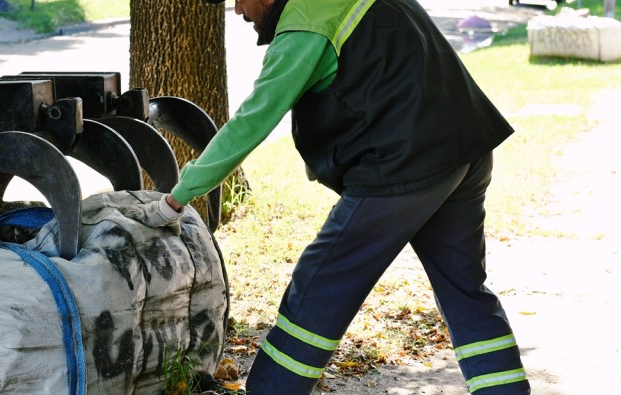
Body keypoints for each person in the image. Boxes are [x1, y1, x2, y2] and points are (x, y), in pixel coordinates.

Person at [119, 0, 530, 393]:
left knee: (319, 285)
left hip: (404, 165)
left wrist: (178, 196)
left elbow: (253, 121)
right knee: (465, 290)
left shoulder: (305, 22)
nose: (239, 11)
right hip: (466, 149)